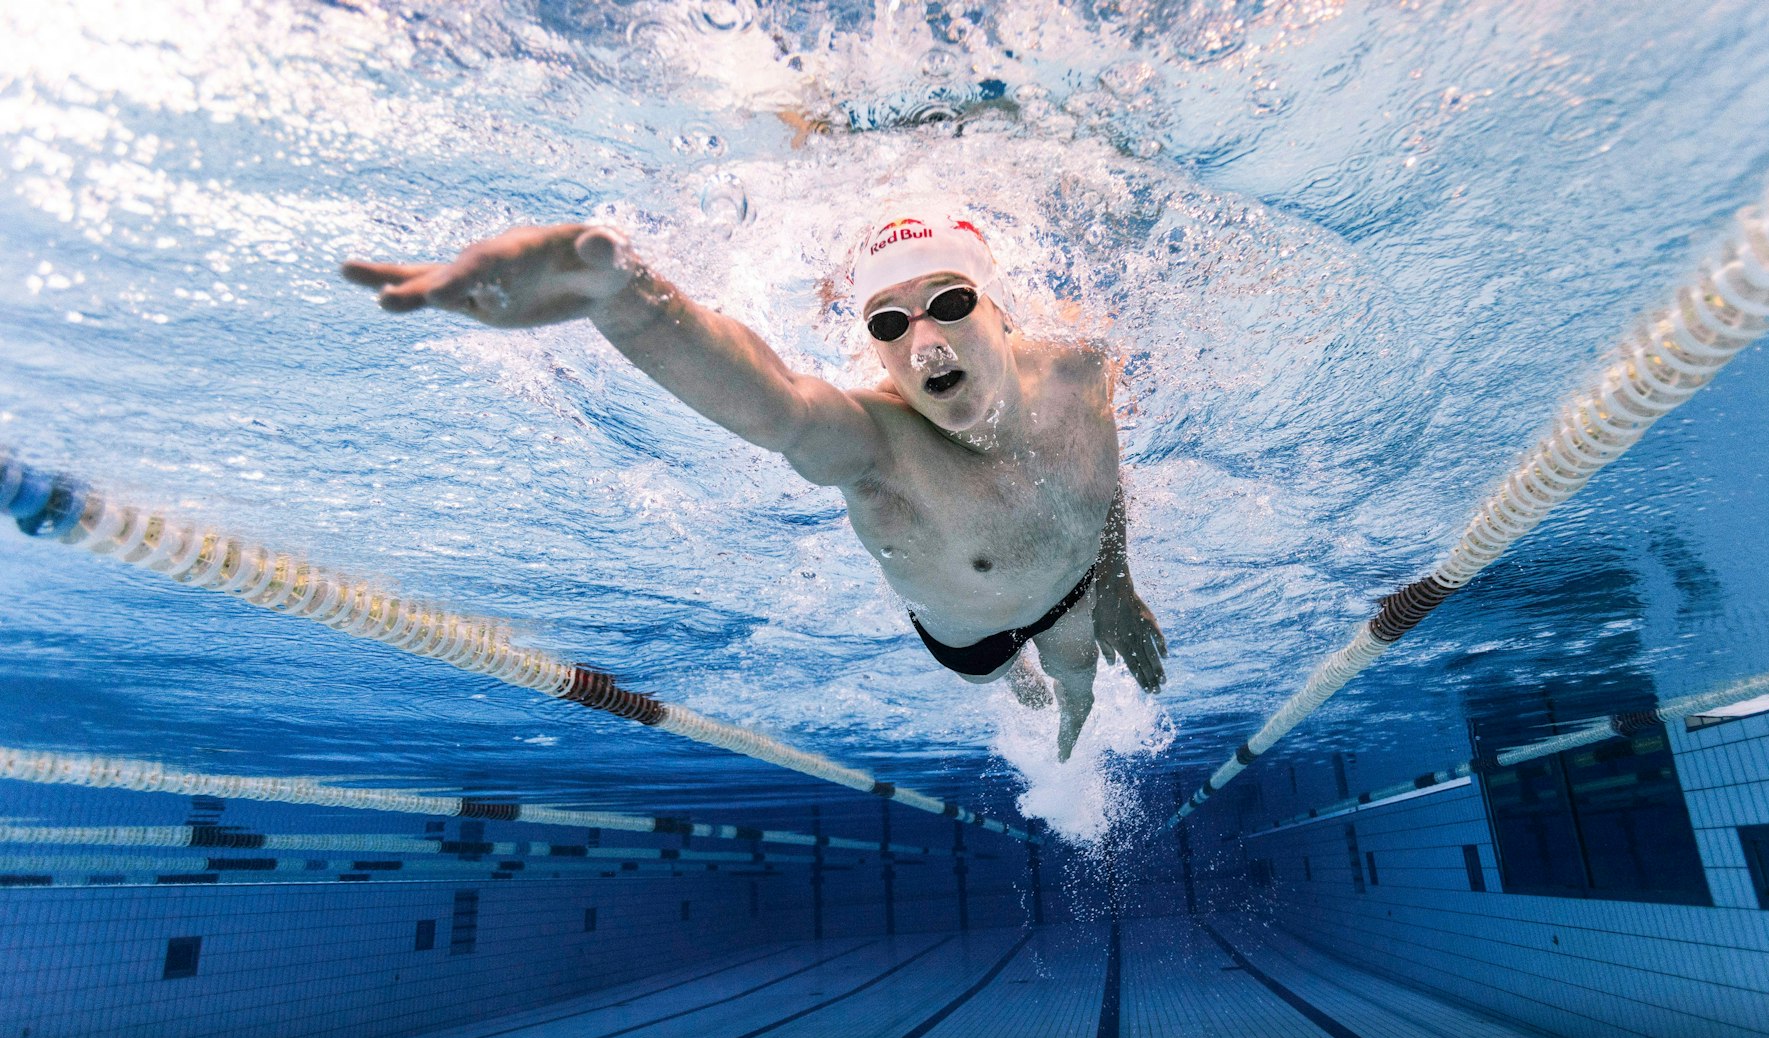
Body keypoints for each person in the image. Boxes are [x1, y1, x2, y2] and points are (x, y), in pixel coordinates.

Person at [342, 209, 1166, 760]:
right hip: (970, 636)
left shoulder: (1081, 370)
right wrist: (622, 299)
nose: (923, 344)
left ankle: (1066, 720)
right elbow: (778, 404)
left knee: (1077, 683)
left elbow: (1094, 477)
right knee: (1009, 683)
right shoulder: (876, 447)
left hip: (1078, 590)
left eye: (948, 302)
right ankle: (1019, 685)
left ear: (1000, 312)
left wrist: (1119, 579)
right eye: (888, 322)